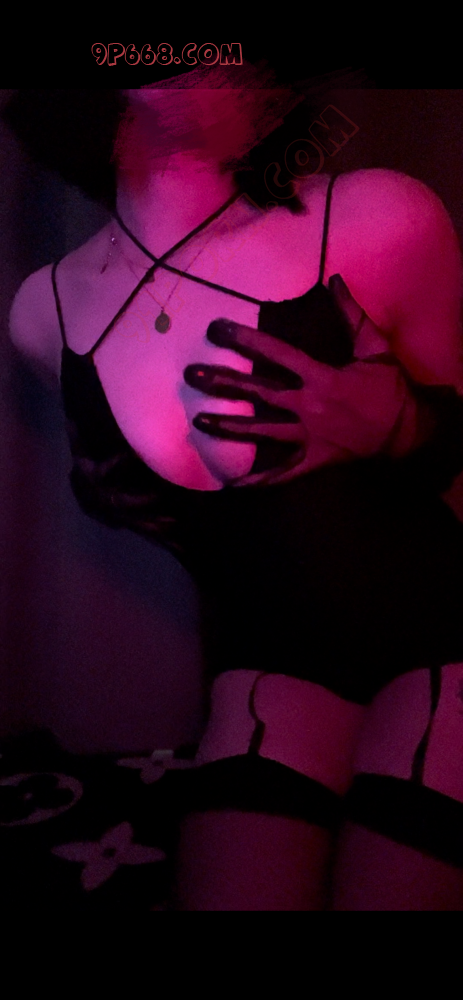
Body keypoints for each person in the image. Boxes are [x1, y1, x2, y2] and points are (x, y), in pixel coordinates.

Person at [4, 64, 463, 910]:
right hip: (270, 668)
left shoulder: (377, 218)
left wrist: (404, 425)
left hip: (446, 641)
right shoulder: (44, 313)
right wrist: (102, 482)